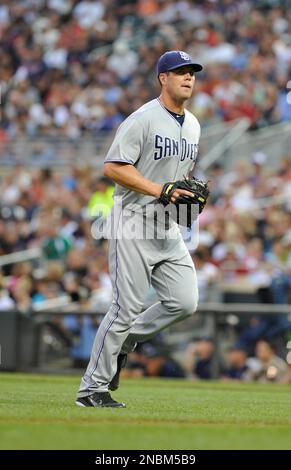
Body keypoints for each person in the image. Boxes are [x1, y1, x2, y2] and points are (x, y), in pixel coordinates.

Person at [76, 50, 204, 408]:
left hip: (168, 227)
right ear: (162, 78)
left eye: (192, 72)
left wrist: (187, 196)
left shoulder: (193, 125)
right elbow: (114, 167)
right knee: (124, 308)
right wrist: (159, 189)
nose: (188, 77)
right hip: (132, 222)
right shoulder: (143, 118)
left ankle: (124, 345)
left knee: (184, 302)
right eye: (180, 71)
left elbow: (179, 177)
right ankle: (91, 389)